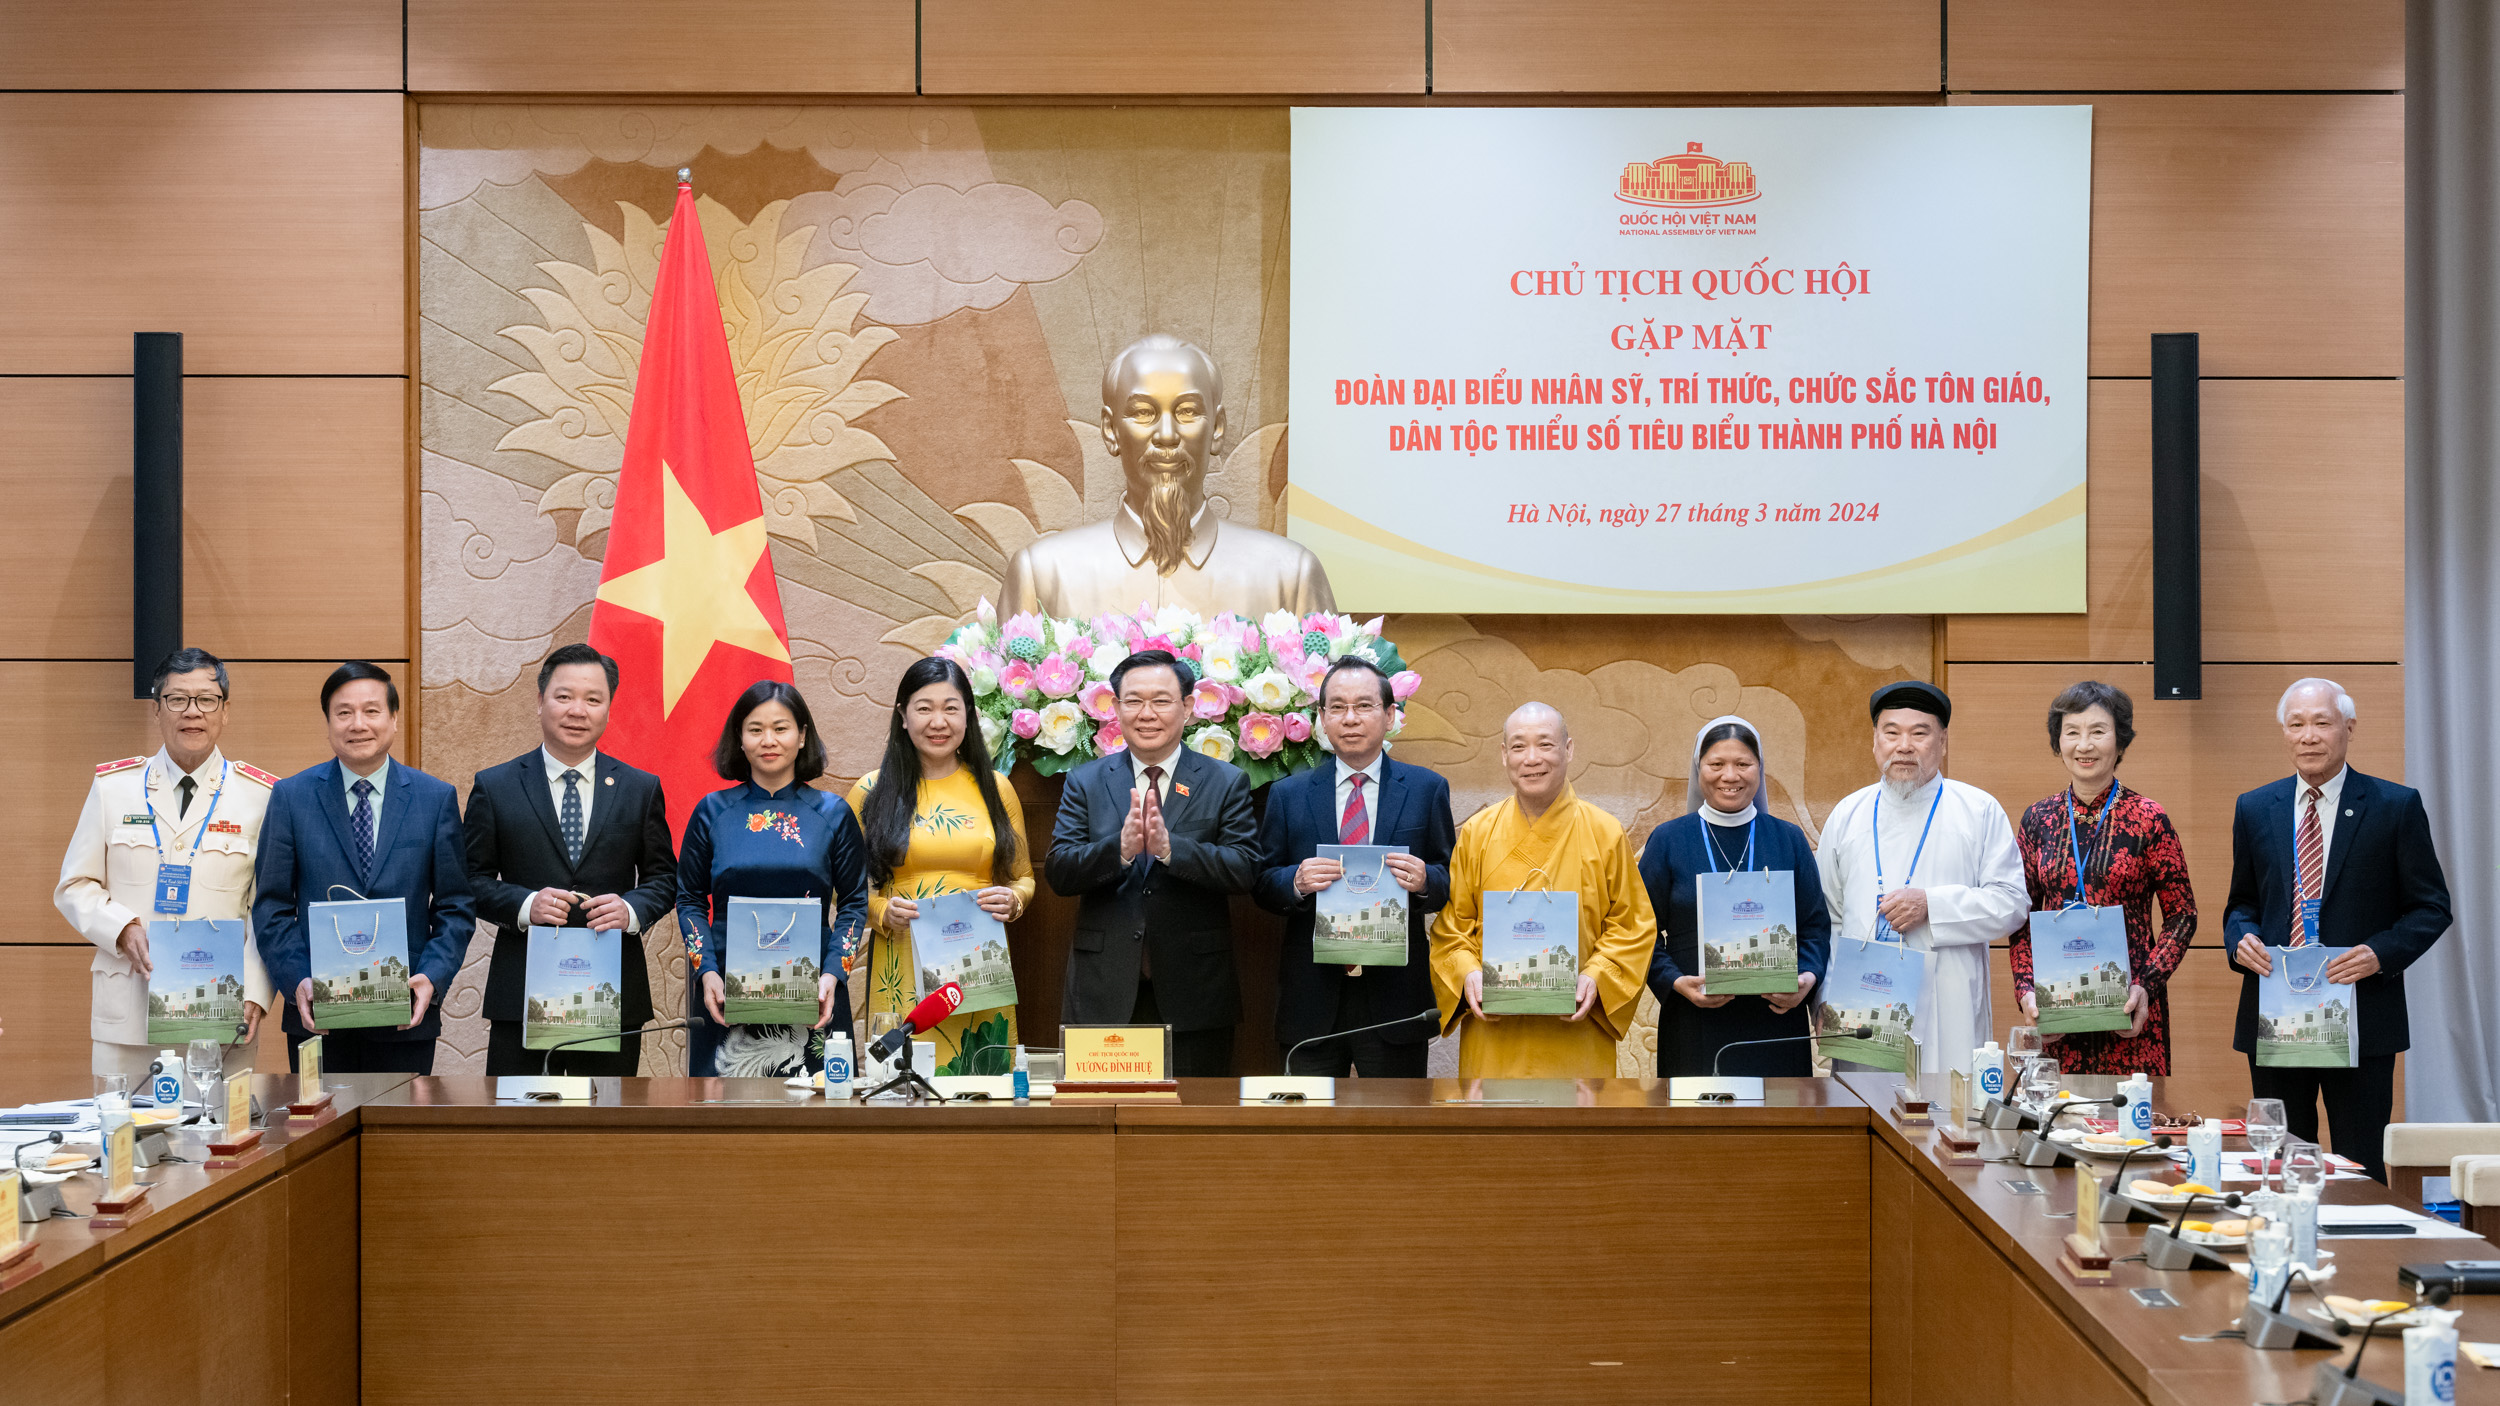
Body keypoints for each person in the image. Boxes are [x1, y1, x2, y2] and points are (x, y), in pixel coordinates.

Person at [2225, 678, 2450, 1181]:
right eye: (2297, 724)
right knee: (2283, 1164)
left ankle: (2359, 1260)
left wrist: (2380, 953)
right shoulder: (2256, 808)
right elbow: (2242, 902)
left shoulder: (2395, 806)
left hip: (2360, 1015)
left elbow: (2431, 908)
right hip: (2279, 1018)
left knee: (2360, 1164)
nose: (2309, 736)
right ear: (2284, 732)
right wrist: (2240, 937)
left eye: (2322, 723)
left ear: (2348, 728)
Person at [997, 333, 1335, 620]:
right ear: (1111, 430)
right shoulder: (1043, 576)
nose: (1167, 434)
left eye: (1187, 411)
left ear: (1217, 429)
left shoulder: (1289, 577)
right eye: (1143, 413)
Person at [55, 648, 278, 1082]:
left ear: (225, 711)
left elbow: (267, 906)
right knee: (125, 1145)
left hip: (221, 1013)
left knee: (218, 1146)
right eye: (177, 699)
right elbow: (75, 885)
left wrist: (256, 992)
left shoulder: (261, 795)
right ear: (157, 710)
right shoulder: (113, 788)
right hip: (128, 1013)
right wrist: (120, 926)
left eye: (206, 700)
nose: (191, 712)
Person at [461, 644, 678, 1077]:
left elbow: (665, 879)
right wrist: (526, 905)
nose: (578, 710)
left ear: (608, 709)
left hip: (609, 992)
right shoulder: (496, 786)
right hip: (521, 994)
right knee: (517, 1129)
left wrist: (631, 910)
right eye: (564, 697)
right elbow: (467, 880)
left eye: (593, 699)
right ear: (540, 701)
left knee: (606, 1128)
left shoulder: (640, 788)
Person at [1045, 648, 1261, 1077]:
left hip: (1194, 992)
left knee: (1193, 1128)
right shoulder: (1085, 782)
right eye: (1133, 700)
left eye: (1161, 701)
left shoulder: (1224, 781)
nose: (1147, 713)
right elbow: (1060, 871)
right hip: (1104, 990)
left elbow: (1245, 868)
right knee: (1102, 1127)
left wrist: (1170, 848)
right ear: (1116, 708)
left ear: (1186, 708)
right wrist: (1119, 851)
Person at [255, 663, 475, 1073]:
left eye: (371, 711)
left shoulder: (434, 798)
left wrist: (431, 976)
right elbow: (272, 906)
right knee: (319, 1132)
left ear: (393, 719)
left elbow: (455, 905)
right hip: (317, 1015)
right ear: (328, 722)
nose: (358, 724)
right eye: (344, 712)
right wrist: (298, 980)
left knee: (396, 1132)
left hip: (404, 1014)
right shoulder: (291, 796)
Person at [1253, 657, 1456, 1077]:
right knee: (1306, 1131)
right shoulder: (1288, 794)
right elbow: (1260, 880)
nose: (1350, 719)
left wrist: (1423, 881)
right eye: (1337, 708)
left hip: (1394, 997)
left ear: (1389, 716)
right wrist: (1295, 881)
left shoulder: (1426, 789)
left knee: (1394, 1131)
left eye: (1363, 706)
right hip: (1311, 995)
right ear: (1321, 719)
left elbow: (1448, 876)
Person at [1429, 702, 1655, 1078]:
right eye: (1518, 747)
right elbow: (1453, 926)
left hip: (1575, 1029)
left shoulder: (1605, 832)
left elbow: (1632, 925)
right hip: (1495, 1032)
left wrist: (1597, 976)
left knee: (1573, 1135)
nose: (1531, 759)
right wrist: (1468, 973)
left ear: (1568, 750)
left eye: (1545, 745)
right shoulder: (1477, 833)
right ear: (1504, 756)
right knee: (1496, 1132)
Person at [1817, 681, 2026, 1076]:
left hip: (1949, 1005)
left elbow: (2012, 903)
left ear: (1943, 741)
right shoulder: (1847, 814)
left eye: (1919, 733)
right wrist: (1825, 998)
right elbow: (1827, 917)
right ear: (1875, 741)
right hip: (1862, 1006)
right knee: (1864, 1120)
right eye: (1891, 732)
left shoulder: (1978, 809)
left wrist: (1932, 906)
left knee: (1948, 1123)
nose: (1904, 745)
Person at [847, 657, 1036, 1078]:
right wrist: (880, 912)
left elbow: (1024, 877)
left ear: (969, 715)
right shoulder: (870, 791)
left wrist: (1015, 900)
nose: (939, 721)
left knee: (983, 1089)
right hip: (900, 963)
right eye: (924, 707)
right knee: (900, 1087)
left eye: (951, 708)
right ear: (902, 716)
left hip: (979, 970)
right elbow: (848, 891)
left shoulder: (996, 788)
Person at [677, 680, 870, 1079]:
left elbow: (854, 902)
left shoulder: (833, 813)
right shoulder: (711, 812)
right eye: (755, 729)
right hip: (724, 991)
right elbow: (690, 899)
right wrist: (706, 971)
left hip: (816, 989)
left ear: (802, 737)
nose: (769, 740)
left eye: (781, 728)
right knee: (723, 1122)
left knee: (815, 1123)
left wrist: (835, 972)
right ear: (740, 739)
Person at [2009, 682, 2196, 1075]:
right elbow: (2019, 916)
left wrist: (2147, 985)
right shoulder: (2038, 819)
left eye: (2097, 731)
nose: (2084, 745)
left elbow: (2182, 916)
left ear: (2120, 740)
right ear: (2058, 742)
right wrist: (2026, 992)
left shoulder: (2149, 817)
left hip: (2130, 1012)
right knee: (2057, 1128)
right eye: (2072, 732)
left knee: (2128, 1129)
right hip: (2055, 1014)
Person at [1641, 716, 1832, 1078]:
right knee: (1698, 1130)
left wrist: (1807, 978)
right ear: (1699, 770)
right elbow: (1640, 931)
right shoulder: (1668, 840)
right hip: (1694, 1020)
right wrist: (1676, 982)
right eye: (1717, 764)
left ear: (1760, 770)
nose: (1730, 776)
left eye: (1743, 764)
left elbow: (1814, 927)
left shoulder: (1787, 839)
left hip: (1775, 1020)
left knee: (1776, 1129)